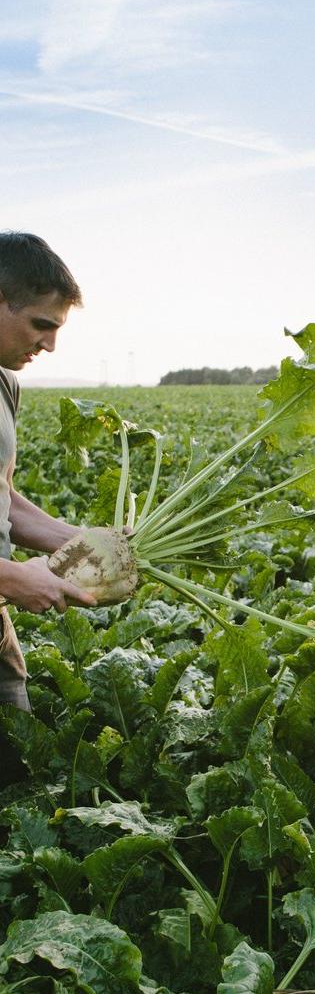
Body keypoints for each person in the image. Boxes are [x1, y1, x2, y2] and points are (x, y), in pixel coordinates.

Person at [0, 231, 97, 711]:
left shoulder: (5, 385)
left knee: (17, 773)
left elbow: (4, 499)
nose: (51, 344)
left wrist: (84, 543)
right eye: (42, 324)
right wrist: (10, 577)